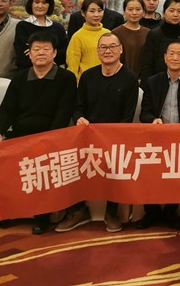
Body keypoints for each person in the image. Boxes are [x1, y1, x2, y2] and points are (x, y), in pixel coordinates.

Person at [0, 31, 77, 234]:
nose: (41, 53)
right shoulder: (19, 78)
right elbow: (7, 110)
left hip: (50, 137)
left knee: (42, 159)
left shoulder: (66, 78)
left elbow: (63, 114)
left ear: (55, 53)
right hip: (20, 136)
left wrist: (49, 139)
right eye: (36, 49)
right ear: (29, 53)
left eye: (46, 49)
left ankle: (41, 215)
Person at [56, 33, 138, 233]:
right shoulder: (87, 76)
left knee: (116, 162)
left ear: (120, 50)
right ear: (98, 52)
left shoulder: (129, 78)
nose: (108, 51)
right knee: (68, 160)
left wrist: (111, 137)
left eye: (112, 47)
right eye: (103, 47)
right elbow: (78, 107)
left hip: (115, 139)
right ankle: (77, 210)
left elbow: (127, 116)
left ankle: (111, 212)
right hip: (87, 136)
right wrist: (80, 119)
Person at [138, 39, 180, 230]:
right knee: (149, 173)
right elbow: (145, 112)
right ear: (165, 57)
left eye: (179, 54)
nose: (175, 58)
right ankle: (151, 211)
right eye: (171, 54)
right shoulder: (152, 82)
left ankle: (171, 211)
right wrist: (153, 120)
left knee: (178, 174)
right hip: (157, 137)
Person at [13, 0, 68, 68]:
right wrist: (51, 53)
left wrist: (35, 52)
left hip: (54, 73)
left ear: (49, 5)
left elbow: (63, 55)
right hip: (28, 73)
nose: (40, 6)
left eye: (44, 2)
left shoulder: (58, 28)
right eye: (37, 2)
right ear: (31, 3)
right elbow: (23, 57)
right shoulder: (22, 26)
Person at [140, 0, 180, 82]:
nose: (175, 14)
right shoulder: (154, 34)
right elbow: (148, 64)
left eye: (179, 11)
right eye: (171, 11)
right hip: (158, 81)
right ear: (164, 13)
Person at [66, 0, 111, 80]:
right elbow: (73, 67)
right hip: (86, 82)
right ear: (83, 13)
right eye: (92, 11)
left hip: (108, 80)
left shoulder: (108, 34)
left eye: (99, 11)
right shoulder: (77, 36)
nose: (96, 15)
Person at [112, 0, 150, 77]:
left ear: (143, 11)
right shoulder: (116, 33)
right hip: (120, 77)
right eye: (130, 9)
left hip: (142, 78)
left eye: (138, 9)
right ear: (124, 11)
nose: (134, 13)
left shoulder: (148, 32)